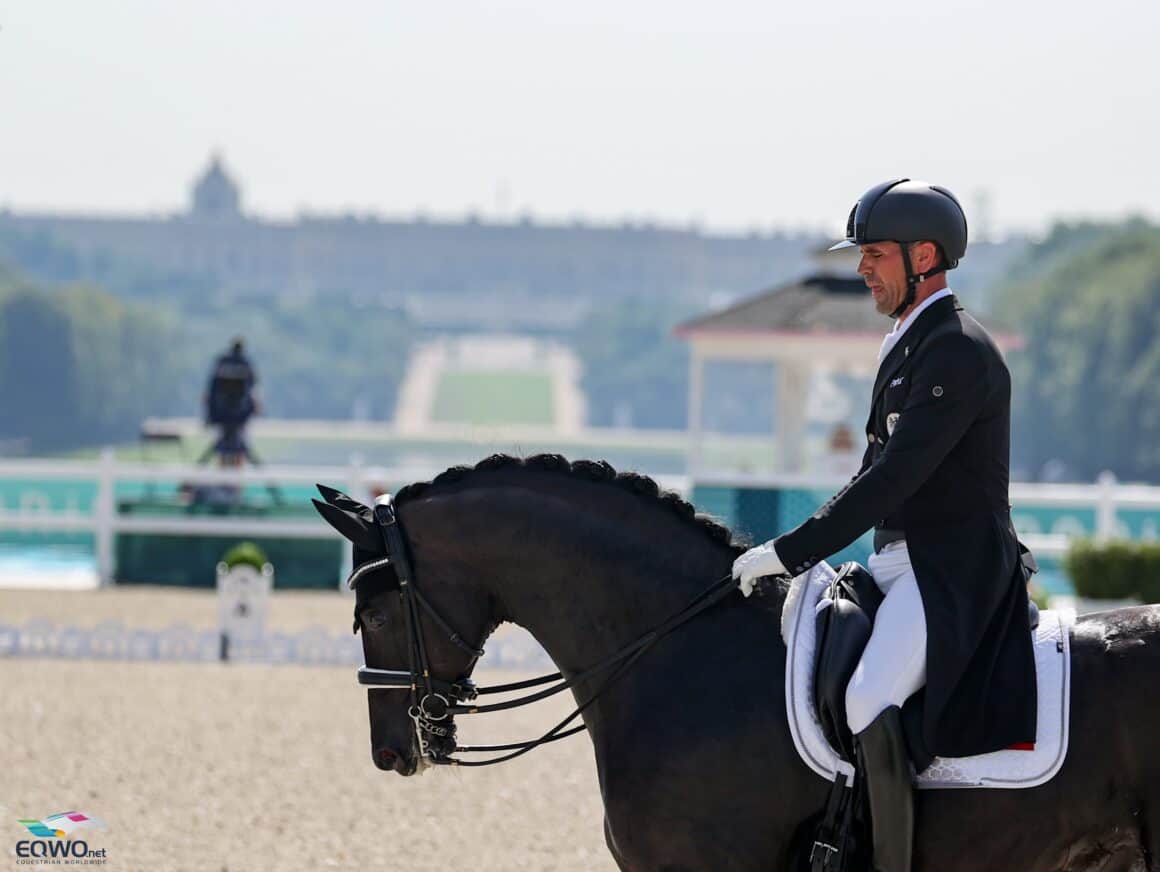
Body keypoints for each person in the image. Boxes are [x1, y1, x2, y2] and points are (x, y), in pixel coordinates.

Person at [731, 179, 1037, 872]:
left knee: (869, 694)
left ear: (924, 255)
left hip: (953, 568)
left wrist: (791, 549)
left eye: (874, 253)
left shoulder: (956, 350)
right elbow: (871, 476)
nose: (862, 266)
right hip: (902, 562)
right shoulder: (910, 342)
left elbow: (892, 478)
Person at [202, 337, 260, 466]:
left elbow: (211, 389)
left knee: (222, 449)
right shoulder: (245, 364)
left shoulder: (222, 362)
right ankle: (235, 482)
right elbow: (252, 387)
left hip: (222, 413)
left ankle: (224, 479)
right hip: (238, 415)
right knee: (239, 448)